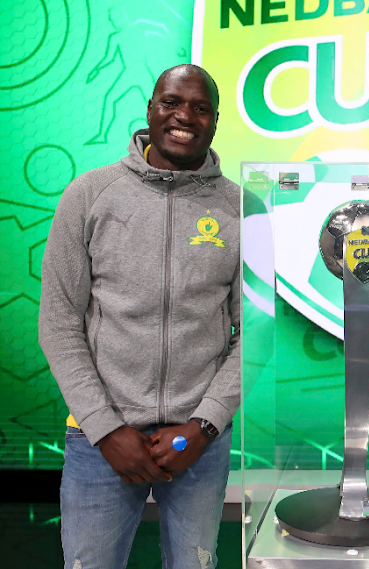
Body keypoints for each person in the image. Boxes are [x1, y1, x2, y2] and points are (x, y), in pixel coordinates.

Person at [39, 64, 240, 569]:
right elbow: (59, 323)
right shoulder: (89, 195)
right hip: (99, 439)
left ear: (215, 122)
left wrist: (205, 426)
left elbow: (257, 334)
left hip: (196, 443)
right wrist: (106, 429)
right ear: (150, 109)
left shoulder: (243, 209)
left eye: (200, 108)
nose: (184, 116)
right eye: (172, 102)